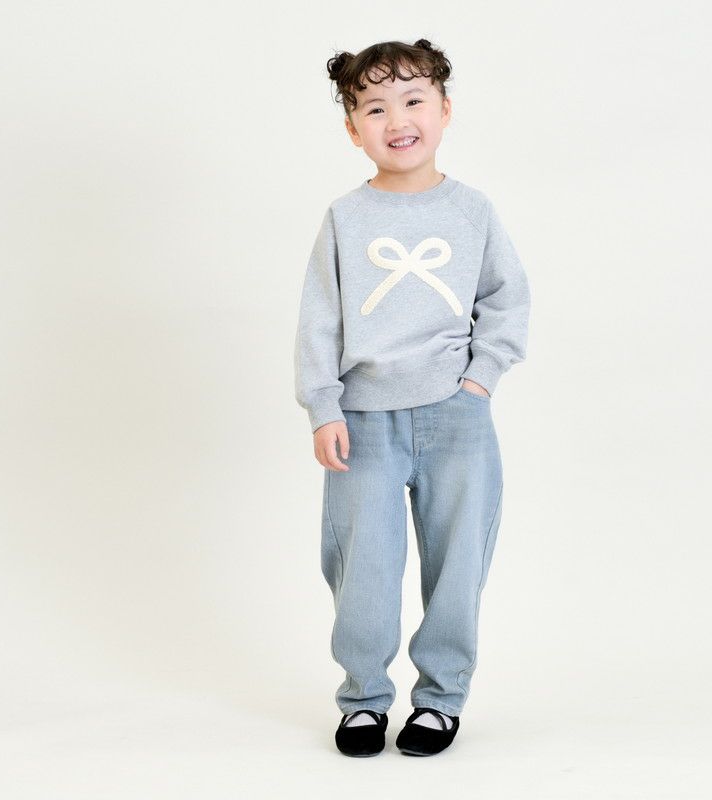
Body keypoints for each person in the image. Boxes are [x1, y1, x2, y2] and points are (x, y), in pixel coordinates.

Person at [293, 38, 532, 757]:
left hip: (456, 415)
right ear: (352, 128)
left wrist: (478, 381)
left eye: (413, 100)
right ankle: (364, 698)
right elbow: (319, 320)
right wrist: (324, 407)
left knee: (458, 562)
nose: (396, 120)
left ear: (444, 110)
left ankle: (440, 698)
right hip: (363, 419)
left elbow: (506, 300)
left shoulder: (473, 210)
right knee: (361, 565)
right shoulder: (346, 218)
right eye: (374, 108)